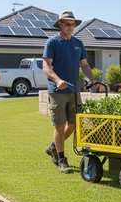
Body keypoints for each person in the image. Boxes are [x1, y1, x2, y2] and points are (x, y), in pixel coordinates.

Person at [42, 11, 98, 173]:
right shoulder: (52, 42)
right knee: (59, 127)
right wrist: (57, 80)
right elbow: (46, 66)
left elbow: (85, 65)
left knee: (73, 125)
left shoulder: (78, 43)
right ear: (60, 24)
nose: (70, 27)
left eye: (72, 24)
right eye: (67, 24)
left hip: (74, 90)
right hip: (57, 91)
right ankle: (62, 159)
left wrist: (93, 80)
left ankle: (53, 147)